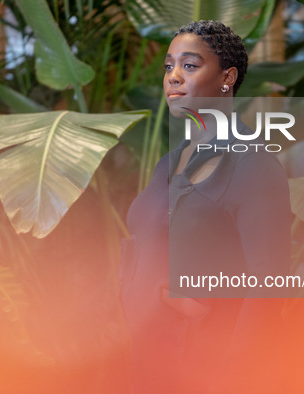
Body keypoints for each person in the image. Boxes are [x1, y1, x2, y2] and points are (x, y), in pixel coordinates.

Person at [119, 20, 291, 393]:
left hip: (205, 367)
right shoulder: (170, 162)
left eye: (190, 66)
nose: (174, 77)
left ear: (227, 77)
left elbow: (269, 285)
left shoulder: (253, 165)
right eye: (169, 66)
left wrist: (230, 369)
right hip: (150, 361)